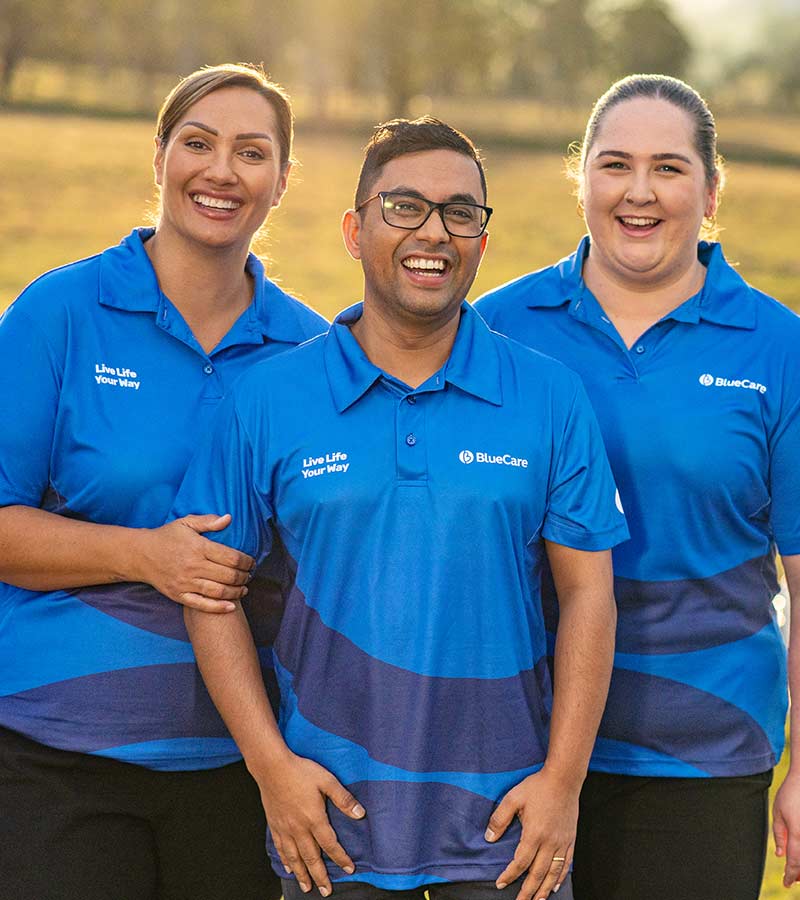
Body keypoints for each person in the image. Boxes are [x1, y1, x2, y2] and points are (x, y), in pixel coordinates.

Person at [174, 115, 629, 900]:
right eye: (405, 207)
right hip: (330, 828)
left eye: (461, 213)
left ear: (482, 240)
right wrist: (271, 768)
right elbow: (211, 593)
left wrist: (563, 783)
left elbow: (589, 594)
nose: (435, 232)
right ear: (356, 232)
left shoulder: (551, 395)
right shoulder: (268, 397)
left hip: (507, 834)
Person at [0, 63, 327, 900]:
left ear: (282, 181)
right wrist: (146, 556)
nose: (221, 171)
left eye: (251, 153)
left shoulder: (312, 352)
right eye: (198, 143)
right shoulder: (59, 312)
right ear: (160, 158)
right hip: (56, 757)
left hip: (242, 769)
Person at [475, 73, 800, 900]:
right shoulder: (496, 328)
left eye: (669, 168)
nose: (640, 192)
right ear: (581, 178)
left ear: (711, 191)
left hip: (704, 750)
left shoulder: (779, 348)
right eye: (615, 165)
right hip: (515, 747)